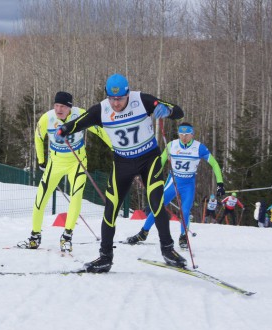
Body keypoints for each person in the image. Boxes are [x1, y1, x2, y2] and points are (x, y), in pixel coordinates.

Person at [57, 73, 187, 272]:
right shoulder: (102, 109)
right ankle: (105, 257)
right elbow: (79, 122)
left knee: (156, 203)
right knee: (111, 209)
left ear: (128, 93)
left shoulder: (142, 100)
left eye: (120, 99)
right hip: (122, 163)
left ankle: (168, 250)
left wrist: (167, 110)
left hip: (148, 159)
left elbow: (178, 112)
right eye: (112, 98)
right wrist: (64, 129)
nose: (116, 103)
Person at [18, 91, 112, 252]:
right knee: (40, 198)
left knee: (76, 198)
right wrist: (41, 160)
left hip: (77, 163)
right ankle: (35, 237)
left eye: (62, 106)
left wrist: (114, 148)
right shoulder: (47, 118)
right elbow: (38, 137)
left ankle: (67, 237)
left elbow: (100, 130)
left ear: (70, 107)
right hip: (55, 163)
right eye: (56, 105)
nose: (58, 109)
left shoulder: (80, 114)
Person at [125, 122, 224, 249]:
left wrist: (220, 184)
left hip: (188, 184)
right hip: (173, 182)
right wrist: (146, 175)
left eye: (187, 134)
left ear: (192, 135)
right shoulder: (172, 145)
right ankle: (143, 233)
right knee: (158, 207)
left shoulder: (199, 148)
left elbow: (215, 164)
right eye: (181, 134)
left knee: (185, 210)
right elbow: (159, 163)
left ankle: (183, 237)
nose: (183, 137)